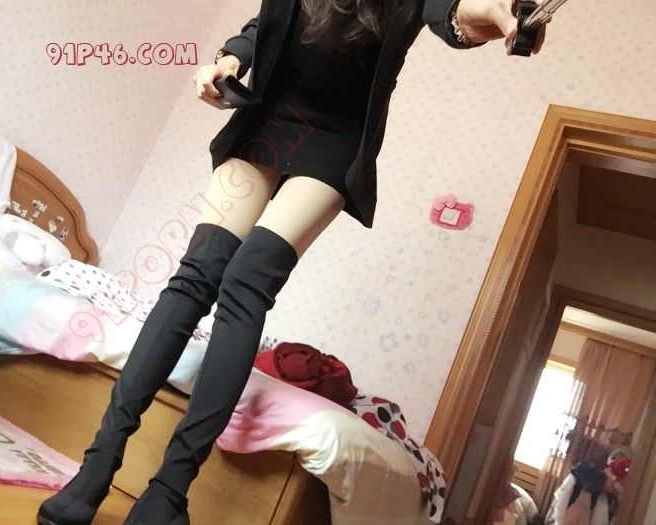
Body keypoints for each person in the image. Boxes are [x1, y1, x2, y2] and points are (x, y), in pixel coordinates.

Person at [37, 0, 548, 523]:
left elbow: (457, 14)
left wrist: (501, 16)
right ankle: (97, 467)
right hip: (269, 119)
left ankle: (168, 492)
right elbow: (265, 24)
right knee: (196, 275)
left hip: (336, 139)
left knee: (245, 283)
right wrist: (230, 59)